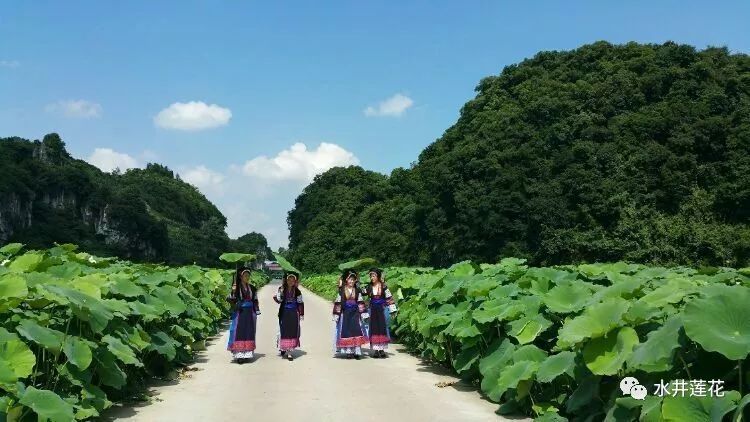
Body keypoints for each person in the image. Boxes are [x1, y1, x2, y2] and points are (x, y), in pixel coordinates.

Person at [333, 270, 368, 359]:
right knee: (347, 331)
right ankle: (349, 352)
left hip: (355, 314)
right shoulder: (341, 291)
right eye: (350, 279)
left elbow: (360, 302)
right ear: (346, 280)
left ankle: (356, 352)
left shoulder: (357, 290)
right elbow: (338, 303)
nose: (351, 281)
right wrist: (336, 315)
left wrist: (363, 313)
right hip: (346, 314)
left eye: (353, 280)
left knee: (356, 330)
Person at [226, 268, 260, 363]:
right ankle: (239, 354)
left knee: (249, 331)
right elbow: (230, 300)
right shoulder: (236, 287)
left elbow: (255, 299)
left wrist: (256, 310)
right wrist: (233, 292)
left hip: (250, 312)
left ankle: (247, 353)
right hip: (240, 312)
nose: (247, 277)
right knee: (239, 331)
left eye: (248, 275)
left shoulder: (252, 288)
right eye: (245, 275)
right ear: (240, 277)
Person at [365, 268, 397, 358]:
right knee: (374, 328)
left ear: (378, 276)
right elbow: (361, 293)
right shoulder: (369, 287)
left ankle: (382, 350)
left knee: (382, 328)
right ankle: (375, 350)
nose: (372, 278)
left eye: (374, 276)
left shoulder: (383, 286)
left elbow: (389, 297)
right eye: (371, 276)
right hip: (372, 309)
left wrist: (393, 310)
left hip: (382, 309)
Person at [274, 271, 304, 361]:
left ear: (295, 281)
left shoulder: (297, 291)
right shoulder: (282, 289)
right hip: (284, 312)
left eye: (293, 280)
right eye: (289, 280)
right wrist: (281, 293)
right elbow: (278, 300)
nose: (291, 282)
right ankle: (283, 347)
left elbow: (300, 303)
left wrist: (301, 313)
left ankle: (289, 352)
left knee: (292, 331)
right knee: (283, 330)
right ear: (286, 280)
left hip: (293, 313)